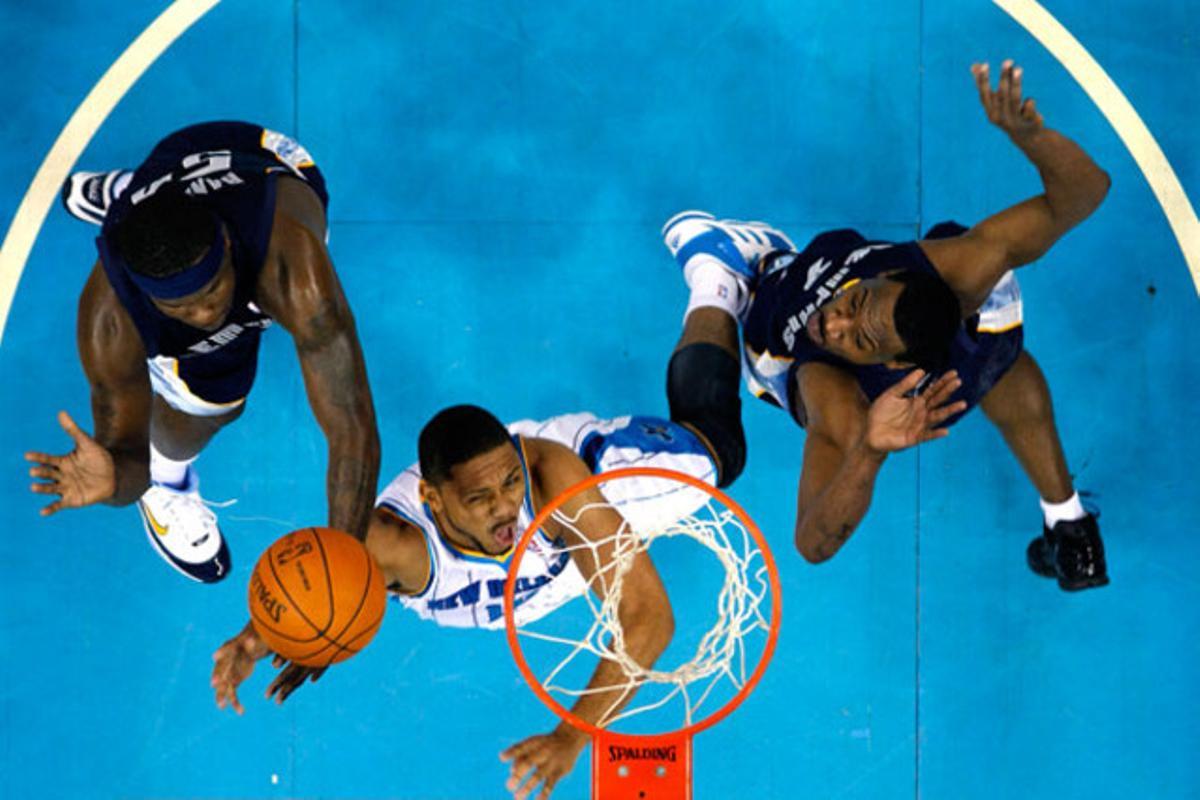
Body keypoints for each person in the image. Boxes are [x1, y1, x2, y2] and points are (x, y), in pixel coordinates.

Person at [659, 60, 1111, 590]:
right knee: (996, 348)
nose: (833, 325)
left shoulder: (831, 388)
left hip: (779, 327)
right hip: (959, 331)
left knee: (757, 351)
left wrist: (870, 452)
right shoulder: (961, 264)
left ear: (894, 364)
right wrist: (1029, 136)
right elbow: (1085, 193)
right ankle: (1070, 527)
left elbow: (812, 543)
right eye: (854, 303)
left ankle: (726, 275)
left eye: (859, 338)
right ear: (892, 275)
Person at [211, 405, 724, 800]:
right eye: (480, 499)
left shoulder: (546, 482)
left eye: (508, 484)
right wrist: (259, 637)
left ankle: (716, 297)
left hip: (585, 504)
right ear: (433, 499)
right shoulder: (390, 544)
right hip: (534, 575)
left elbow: (649, 619)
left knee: (713, 459)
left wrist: (571, 736)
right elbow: (312, 584)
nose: (504, 509)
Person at [25, 122, 380, 582]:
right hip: (185, 173)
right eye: (181, 307)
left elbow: (351, 426)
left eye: (212, 291)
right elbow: (131, 460)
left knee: (265, 316)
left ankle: (135, 194)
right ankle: (170, 480)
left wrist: (343, 561)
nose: (205, 314)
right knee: (213, 403)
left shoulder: (291, 263)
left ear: (228, 244)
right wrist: (115, 478)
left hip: (270, 164)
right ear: (143, 294)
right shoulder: (111, 318)